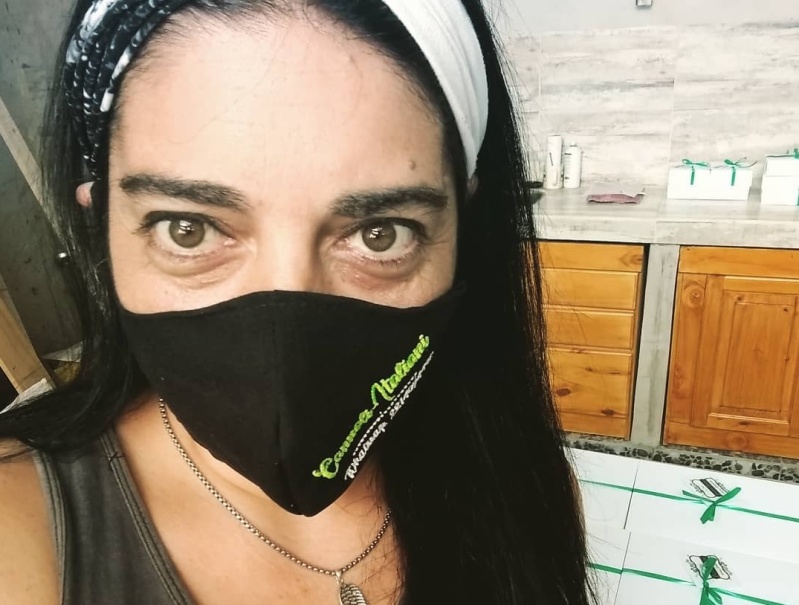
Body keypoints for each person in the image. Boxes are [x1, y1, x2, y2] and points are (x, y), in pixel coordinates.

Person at [0, 0, 594, 603]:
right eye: (189, 229)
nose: (284, 350)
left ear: (462, 230)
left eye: (380, 234)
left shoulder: (520, 485)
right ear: (102, 222)